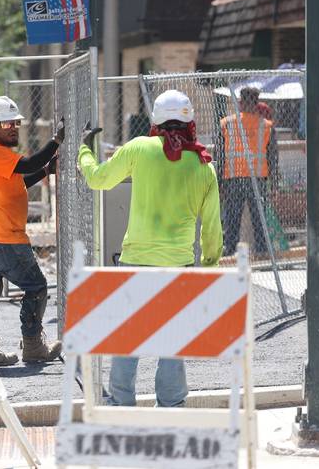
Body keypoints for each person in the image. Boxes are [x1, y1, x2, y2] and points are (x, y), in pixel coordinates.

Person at [77, 90, 223, 407]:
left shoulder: (140, 149)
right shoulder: (203, 166)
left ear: (155, 119)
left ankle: (121, 403)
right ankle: (171, 406)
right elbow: (212, 229)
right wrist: (208, 268)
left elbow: (98, 180)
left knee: (127, 338)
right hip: (179, 267)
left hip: (136, 264)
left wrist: (84, 151)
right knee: (172, 342)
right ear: (189, 121)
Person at [0, 95, 65, 366]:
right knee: (36, 286)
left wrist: (46, 171)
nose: (12, 127)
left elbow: (20, 179)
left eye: (14, 122)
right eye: (5, 124)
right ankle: (33, 346)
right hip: (4, 239)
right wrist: (55, 141)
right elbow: (28, 165)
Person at [217, 87, 278, 256]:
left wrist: (219, 181)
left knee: (232, 217)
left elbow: (220, 154)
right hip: (257, 178)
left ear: (240, 102)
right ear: (257, 103)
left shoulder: (226, 123)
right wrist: (274, 180)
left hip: (233, 176)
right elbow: (272, 155)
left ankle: (230, 250)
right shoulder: (266, 126)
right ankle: (262, 250)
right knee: (259, 218)